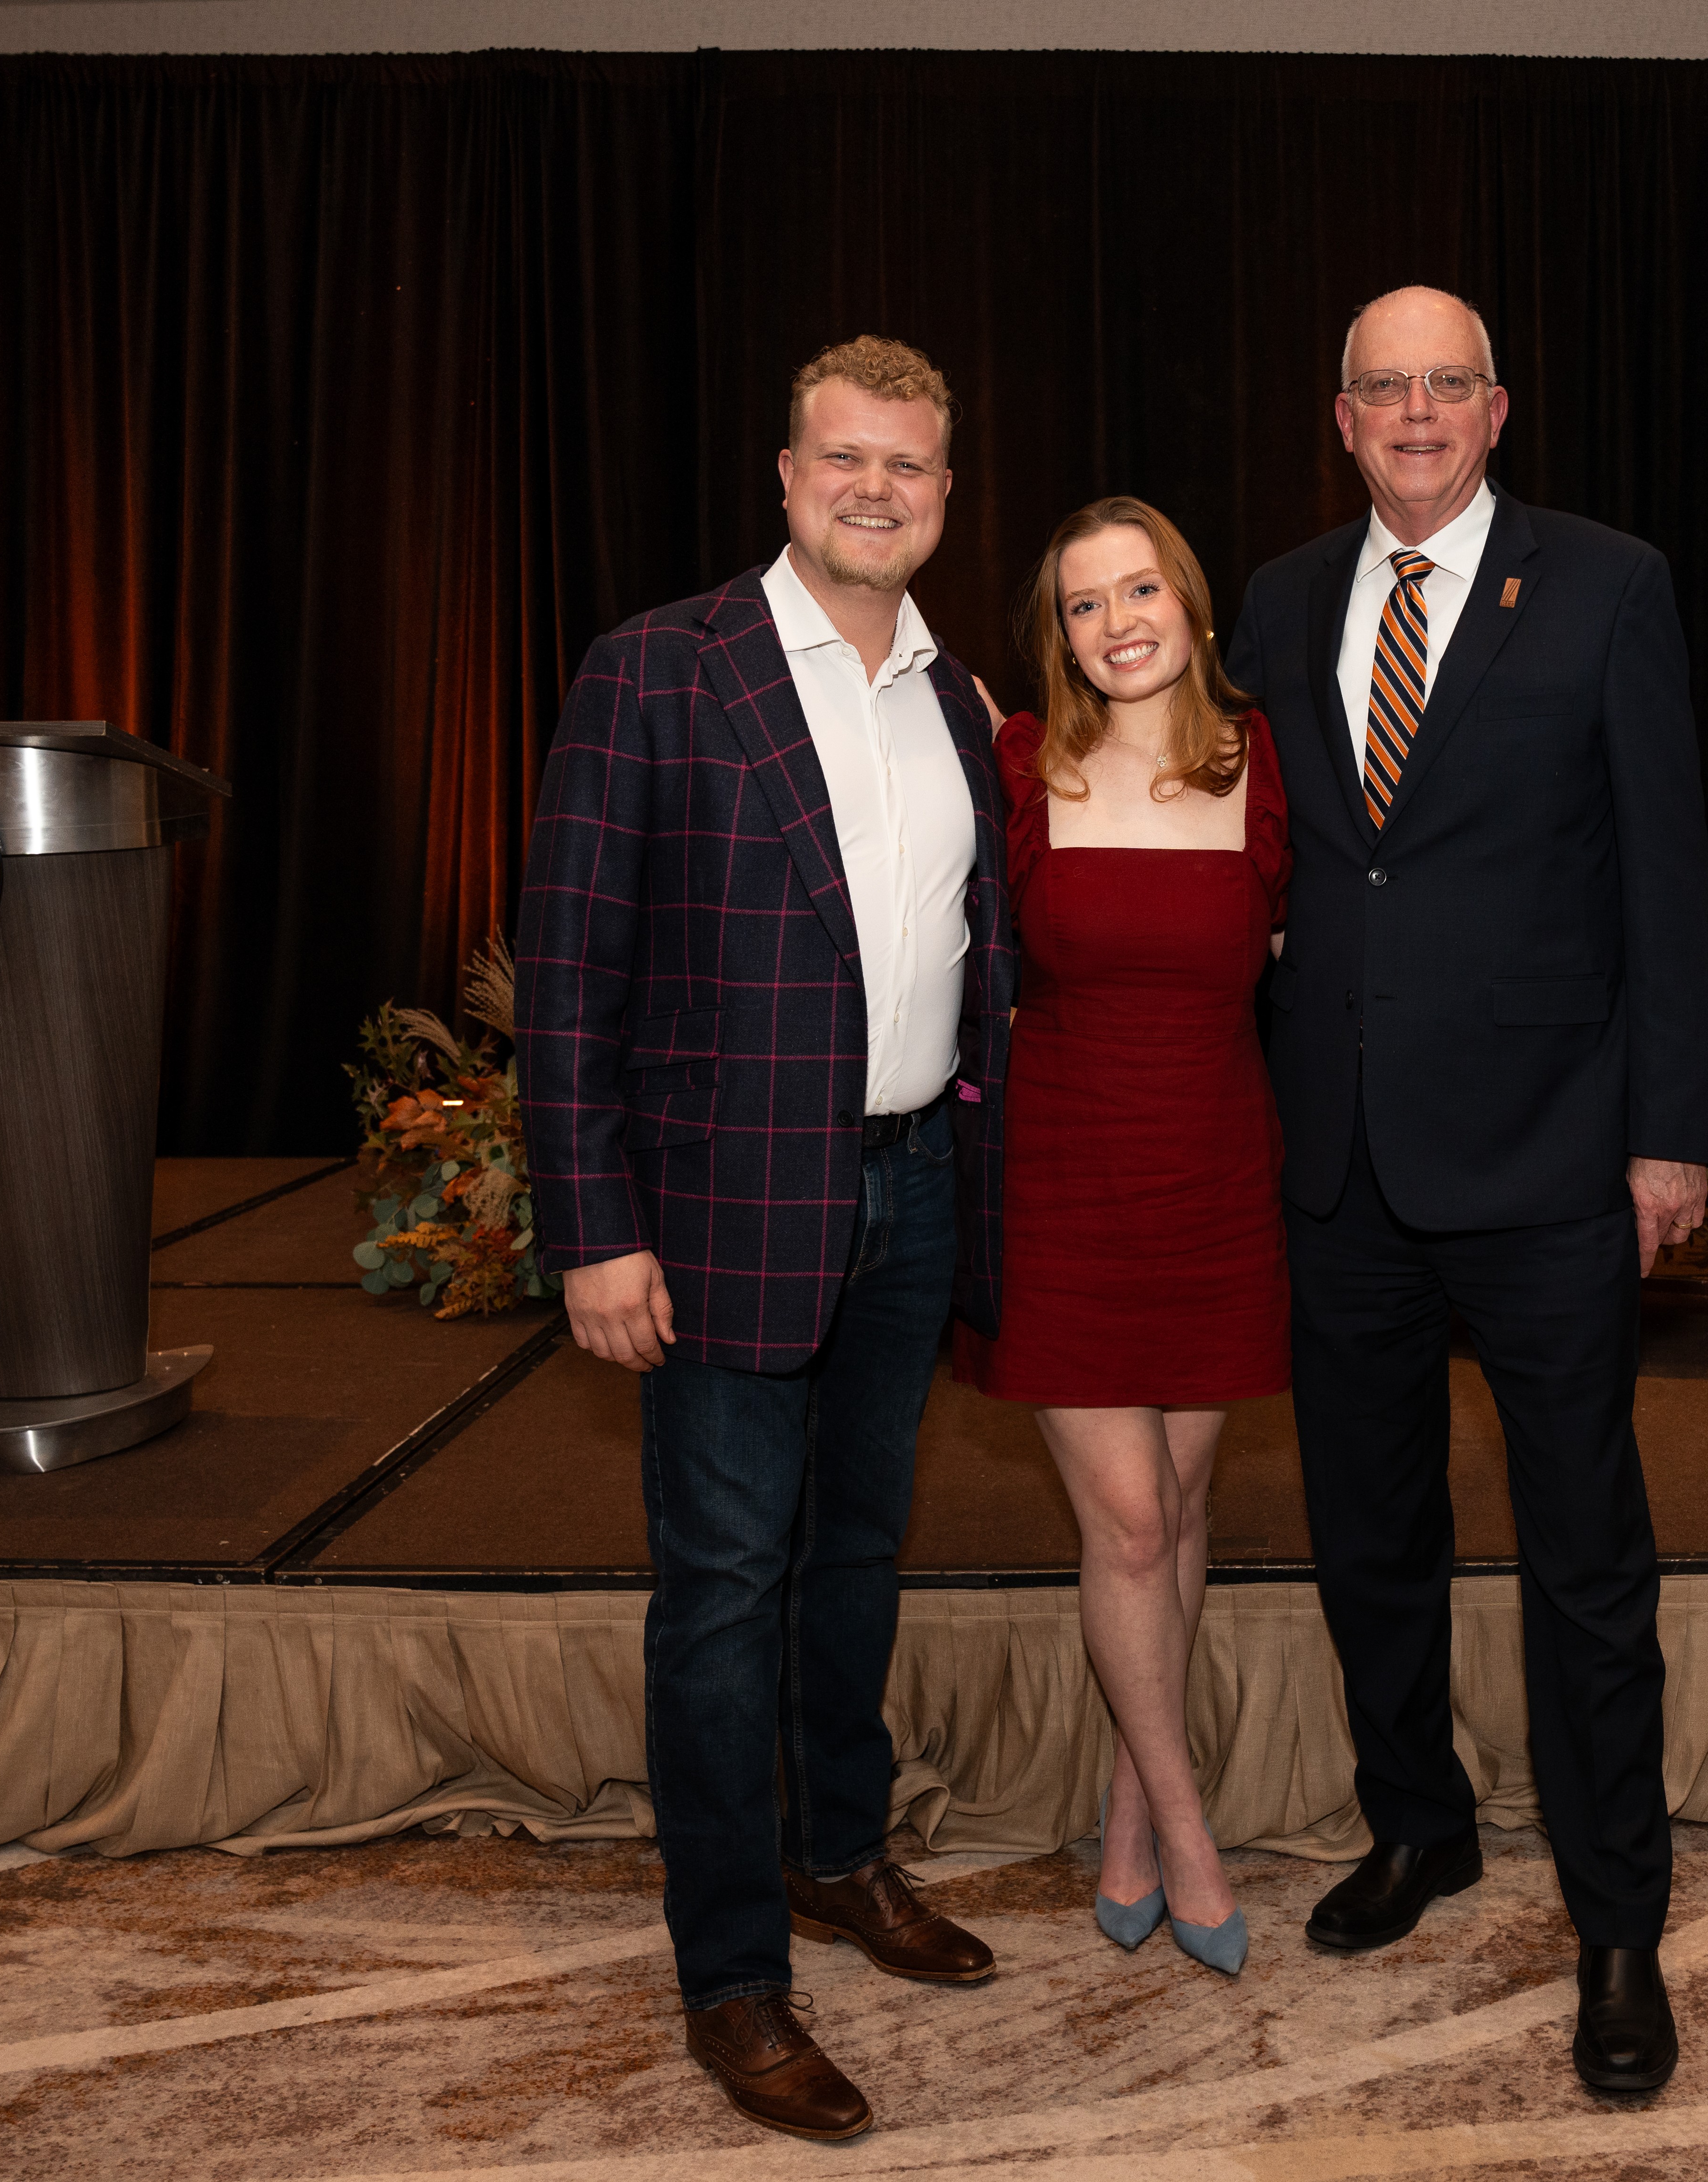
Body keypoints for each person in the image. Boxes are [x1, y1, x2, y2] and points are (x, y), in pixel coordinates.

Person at [516, 335, 1013, 2145]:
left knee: (856, 1557)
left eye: (909, 466)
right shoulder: (661, 668)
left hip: (913, 1190)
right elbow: (567, 969)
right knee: (723, 1595)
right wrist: (594, 1229)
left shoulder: (961, 703)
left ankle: (837, 1854)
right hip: (722, 1209)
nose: (877, 489)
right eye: (844, 459)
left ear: (944, 496)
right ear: (788, 478)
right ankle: (731, 1973)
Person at [1222, 286, 1708, 2094]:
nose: (1416, 412)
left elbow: (1663, 873)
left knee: (1585, 1560)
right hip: (1338, 1162)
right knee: (1370, 1535)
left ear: (1496, 410)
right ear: (1341, 416)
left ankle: (1617, 1919)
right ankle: (1417, 1826)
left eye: (1448, 384)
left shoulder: (1607, 584)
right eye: (1385, 387)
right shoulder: (1277, 600)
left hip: (1548, 1156)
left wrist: (1668, 1136)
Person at [954, 496, 1290, 1980]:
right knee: (1134, 1523)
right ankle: (1192, 1833)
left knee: (1183, 1511)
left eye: (1139, 589)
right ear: (1059, 634)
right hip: (1062, 1184)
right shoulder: (1019, 762)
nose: (1116, 623)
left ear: (1188, 601)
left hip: (1214, 1177)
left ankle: (1129, 1820)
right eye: (1084, 604)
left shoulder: (1263, 759)